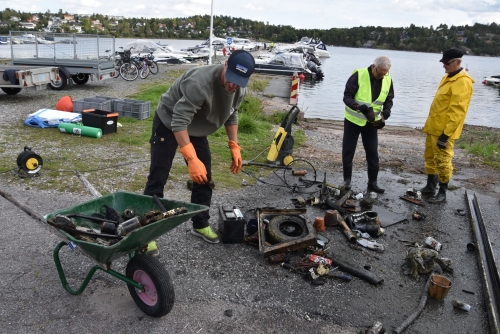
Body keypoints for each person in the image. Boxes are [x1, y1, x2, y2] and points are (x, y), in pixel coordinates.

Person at [143, 50, 255, 253]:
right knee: (159, 174)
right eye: (230, 79)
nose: (232, 85)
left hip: (196, 125)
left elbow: (231, 114)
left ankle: (200, 223)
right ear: (225, 64)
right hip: (170, 120)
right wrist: (191, 158)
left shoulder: (240, 90)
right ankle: (147, 232)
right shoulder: (200, 83)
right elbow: (178, 121)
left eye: (238, 82)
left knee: (205, 176)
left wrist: (234, 145)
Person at [420, 48, 474, 203]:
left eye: (447, 63)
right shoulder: (447, 77)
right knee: (430, 157)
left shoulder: (463, 82)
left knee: (443, 161)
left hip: (444, 131)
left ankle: (442, 192)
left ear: (458, 62)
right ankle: (431, 186)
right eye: (443, 62)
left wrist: (446, 134)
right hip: (433, 127)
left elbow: (458, 111)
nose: (444, 65)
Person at [341, 56, 394, 194]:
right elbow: (347, 97)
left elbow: (389, 98)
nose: (381, 76)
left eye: (384, 73)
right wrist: (357, 106)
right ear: (373, 67)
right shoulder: (358, 75)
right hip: (353, 121)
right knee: (348, 151)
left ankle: (373, 183)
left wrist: (387, 110)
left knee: (372, 152)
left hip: (372, 123)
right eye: (379, 73)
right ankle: (347, 181)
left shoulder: (387, 78)